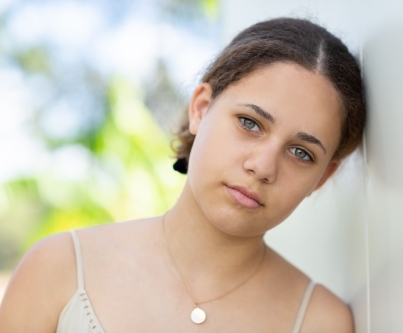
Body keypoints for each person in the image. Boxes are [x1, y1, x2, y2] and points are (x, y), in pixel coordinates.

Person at [0, 17, 365, 332]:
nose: (263, 167)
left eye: (301, 153)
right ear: (201, 110)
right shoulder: (59, 268)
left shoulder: (321, 322)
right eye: (250, 123)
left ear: (322, 177)